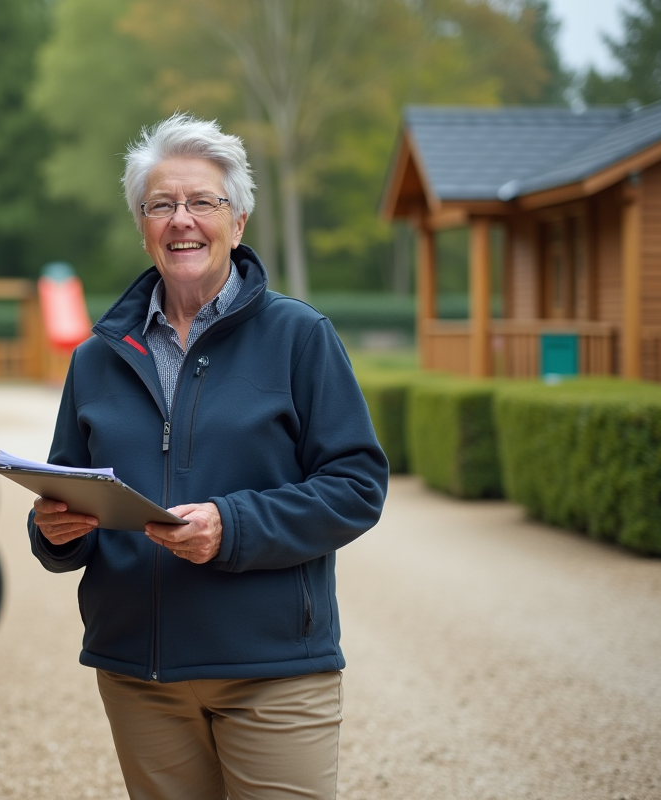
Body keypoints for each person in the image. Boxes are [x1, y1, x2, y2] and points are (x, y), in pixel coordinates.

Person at [27, 113, 389, 800]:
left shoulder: (300, 337)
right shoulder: (97, 359)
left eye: (202, 202)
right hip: (141, 677)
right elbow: (63, 498)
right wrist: (52, 534)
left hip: (274, 669)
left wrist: (234, 526)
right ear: (142, 224)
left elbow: (356, 485)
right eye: (161, 205)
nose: (181, 220)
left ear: (239, 219)